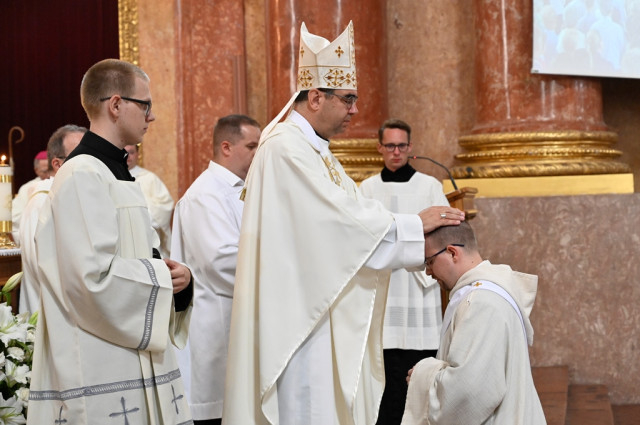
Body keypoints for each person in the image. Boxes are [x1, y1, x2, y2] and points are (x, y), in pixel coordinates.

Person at [222, 21, 464, 425]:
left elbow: (352, 213)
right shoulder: (285, 149)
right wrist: (412, 226)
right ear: (316, 97)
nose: (355, 110)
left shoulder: (316, 151)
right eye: (348, 99)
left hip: (318, 308)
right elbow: (339, 225)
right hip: (301, 318)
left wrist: (418, 239)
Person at [28, 58, 194, 424]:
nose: (151, 116)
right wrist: (161, 279)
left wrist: (177, 277)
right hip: (102, 361)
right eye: (145, 104)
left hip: (131, 351)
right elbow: (92, 279)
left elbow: (140, 255)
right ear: (116, 105)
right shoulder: (82, 174)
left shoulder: (115, 172)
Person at [402, 222, 546, 425]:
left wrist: (422, 376)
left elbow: (469, 391)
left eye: (430, 261)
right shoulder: (486, 291)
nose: (428, 272)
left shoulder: (481, 302)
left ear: (452, 253)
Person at [172, 114, 261, 425]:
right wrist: (280, 267)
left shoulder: (243, 189)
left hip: (242, 321)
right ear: (226, 147)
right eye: (251, 146)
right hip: (218, 327)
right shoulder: (205, 195)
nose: (258, 153)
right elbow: (221, 262)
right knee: (220, 413)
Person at [359, 119, 449, 425]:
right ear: (379, 148)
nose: (395, 152)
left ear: (410, 147)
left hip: (419, 286)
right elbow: (360, 234)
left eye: (401, 146)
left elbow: (445, 230)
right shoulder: (367, 189)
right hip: (384, 287)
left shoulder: (430, 186)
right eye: (389, 146)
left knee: (420, 371)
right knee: (387, 376)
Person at [18, 124, 87, 314]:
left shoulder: (75, 197)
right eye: (82, 156)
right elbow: (46, 270)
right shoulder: (42, 203)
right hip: (51, 313)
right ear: (57, 164)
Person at [125, 143, 175, 258]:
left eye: (131, 152)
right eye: (124, 152)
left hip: (147, 238)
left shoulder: (149, 178)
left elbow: (165, 206)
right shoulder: (112, 177)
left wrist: (140, 216)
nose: (128, 156)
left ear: (138, 154)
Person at [11, 150, 49, 244]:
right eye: (45, 171)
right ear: (36, 170)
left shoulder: (59, 183)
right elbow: (15, 217)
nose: (48, 175)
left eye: (50, 170)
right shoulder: (27, 188)